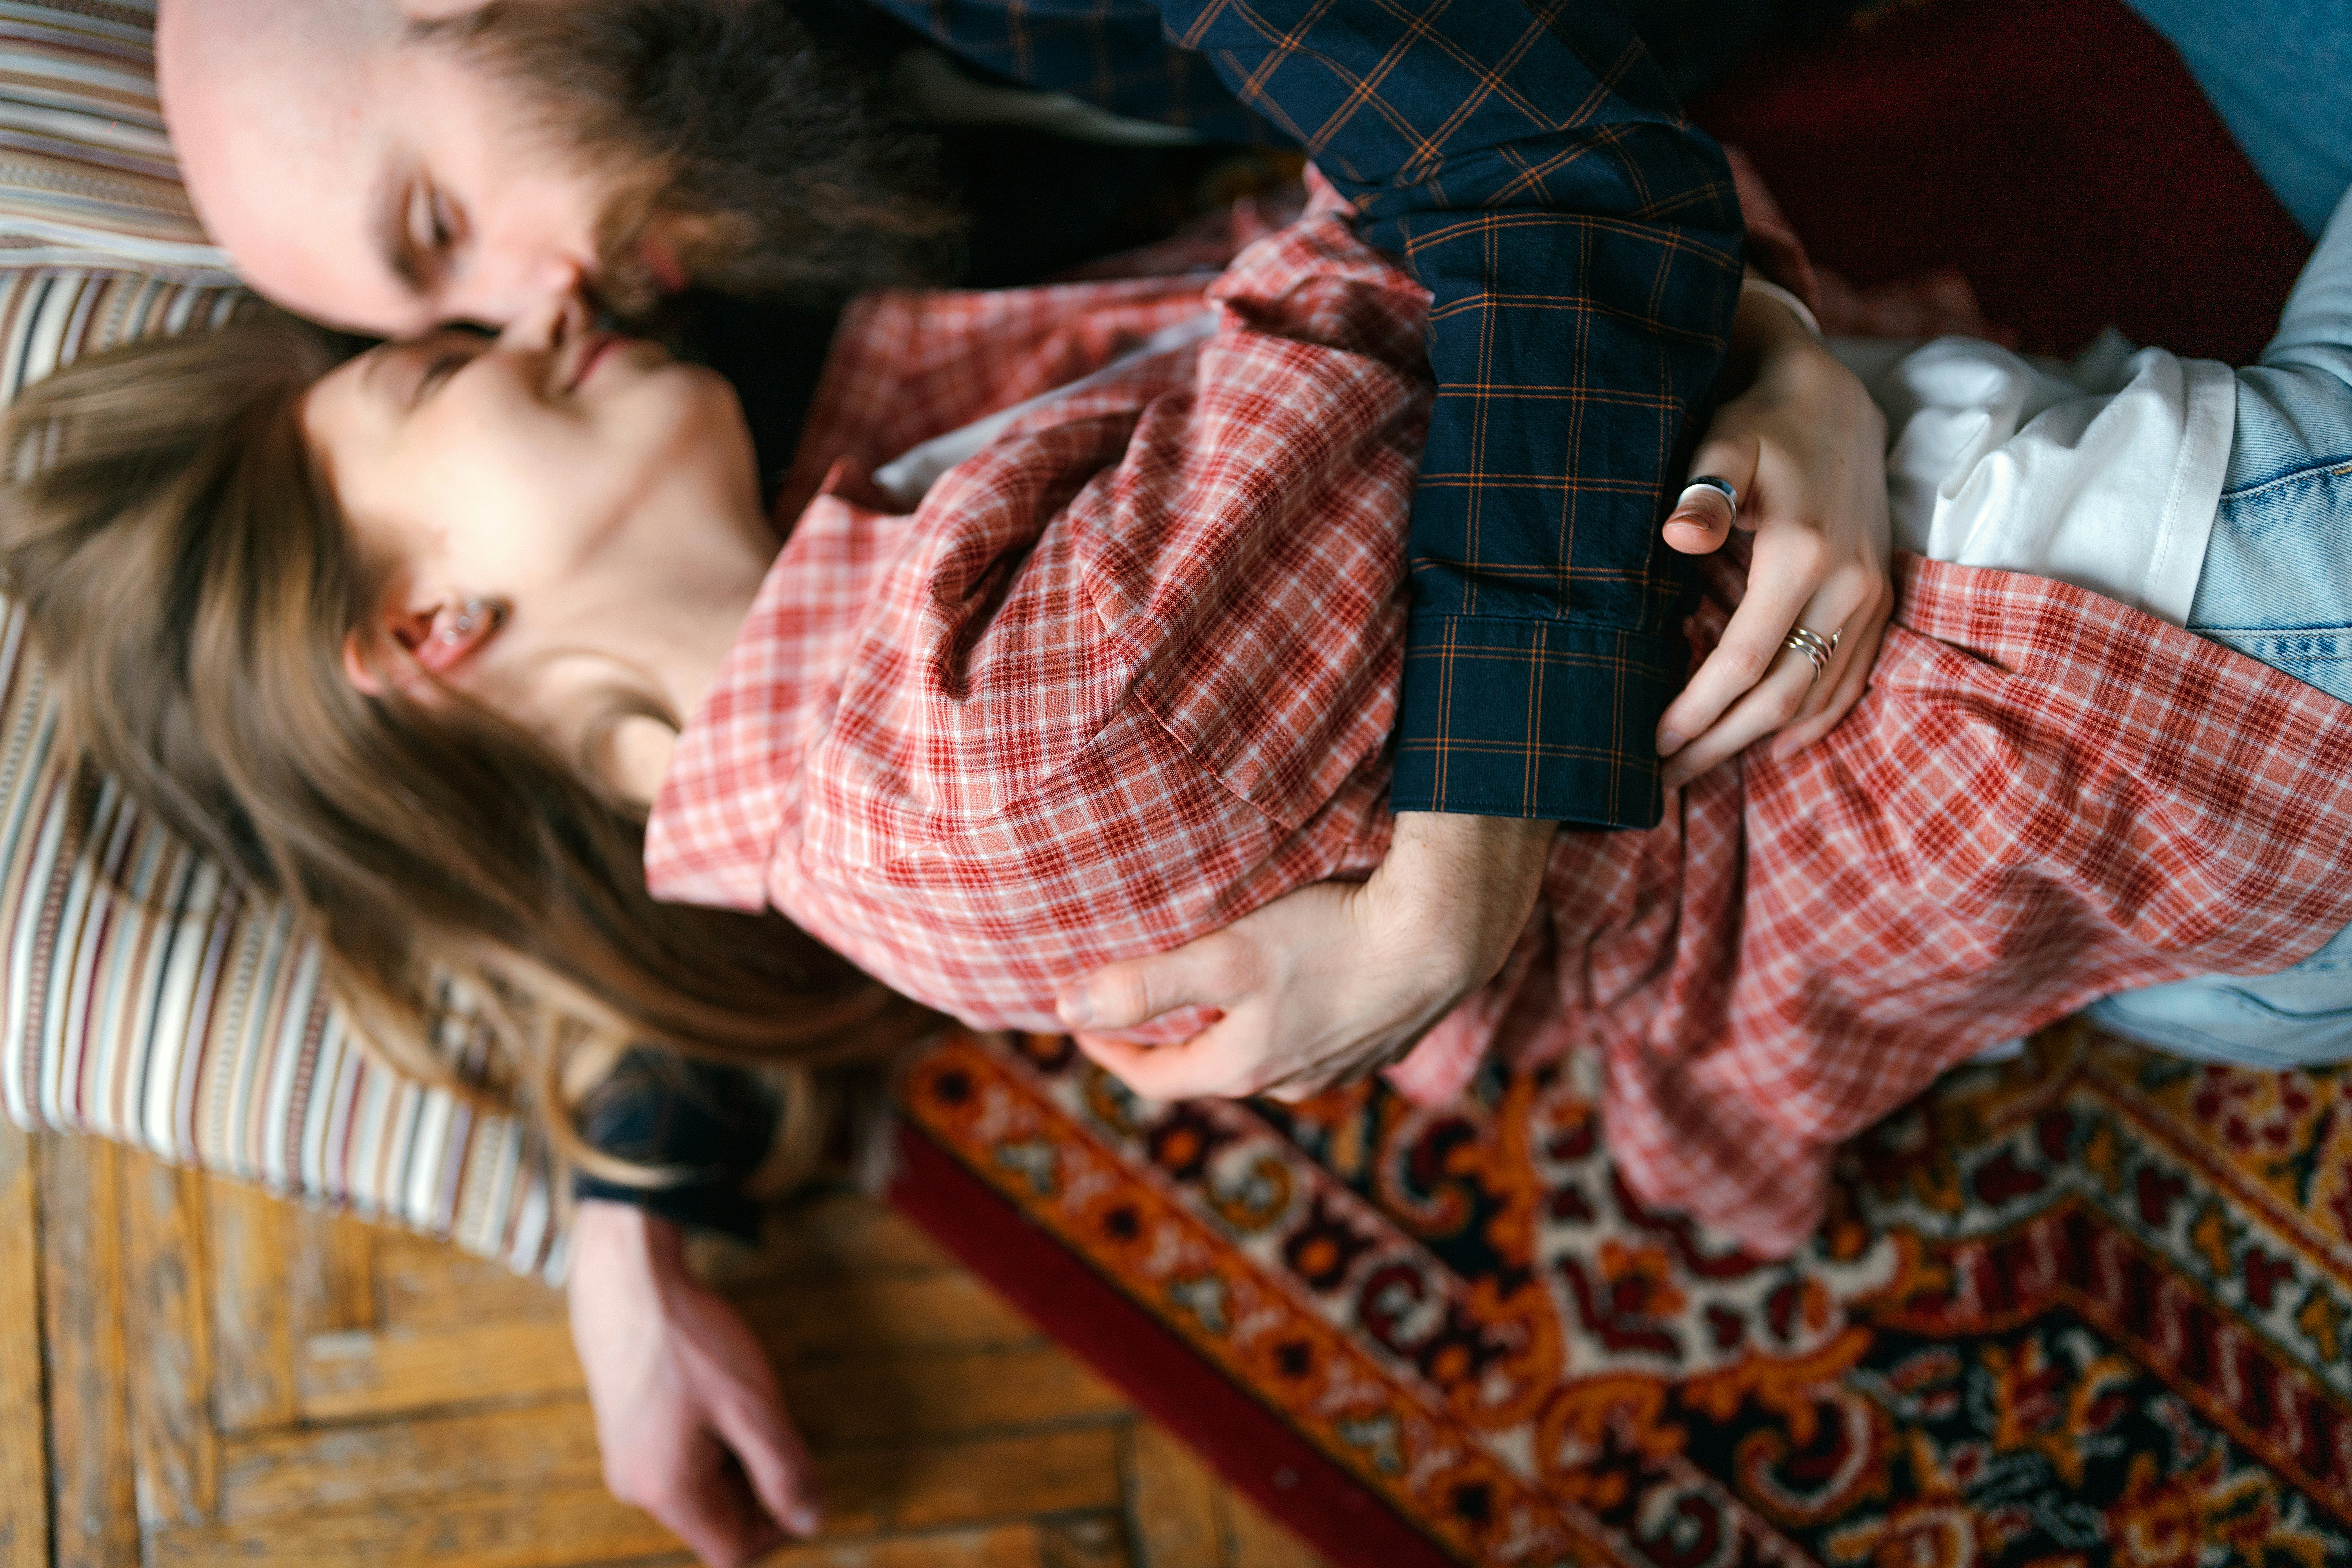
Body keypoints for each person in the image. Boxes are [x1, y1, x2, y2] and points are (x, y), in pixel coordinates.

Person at [10, 175, 2352, 1563]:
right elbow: (1492, 218)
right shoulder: (987, 749)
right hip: (2101, 598)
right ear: (430, 631)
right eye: (445, 373)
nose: (548, 306)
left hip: (2038, 656)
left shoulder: (855, 608)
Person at [150, 0, 1902, 1104]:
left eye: (441, 227)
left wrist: (1452, 885)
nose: (549, 294)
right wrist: (636, 1191)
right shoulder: (737, 289)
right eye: (441, 331)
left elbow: (1508, 176)